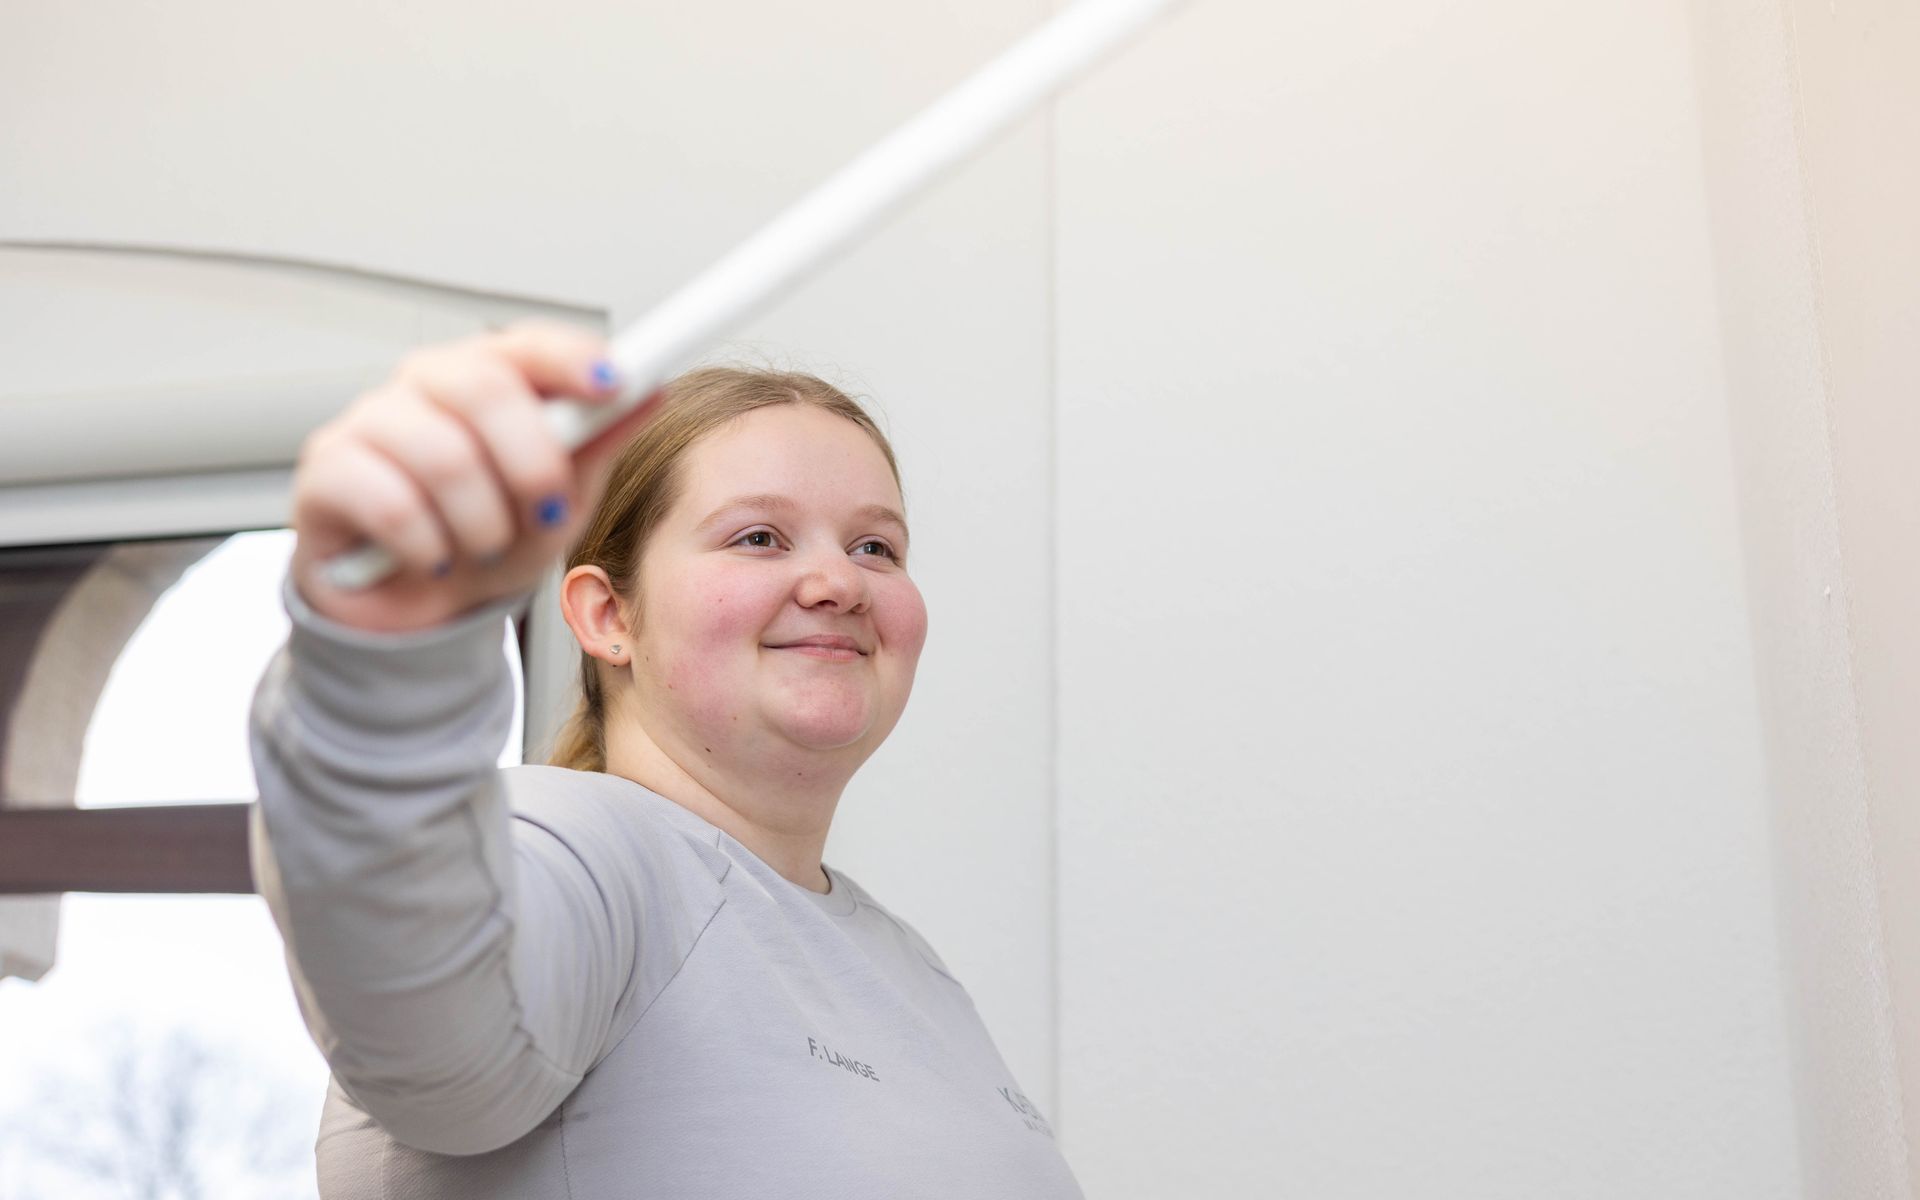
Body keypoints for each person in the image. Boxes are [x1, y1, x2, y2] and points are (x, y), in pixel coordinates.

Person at [248, 323, 1081, 1197]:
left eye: (876, 546)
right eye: (759, 536)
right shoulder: (570, 847)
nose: (840, 582)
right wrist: (381, 657)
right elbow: (429, 1021)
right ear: (608, 615)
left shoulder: (909, 966)